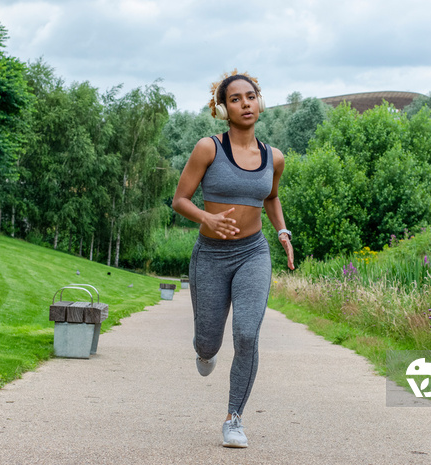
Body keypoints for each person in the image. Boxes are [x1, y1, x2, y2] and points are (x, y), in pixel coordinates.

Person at [172, 70, 295, 448]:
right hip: (210, 255)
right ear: (223, 108)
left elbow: (271, 197)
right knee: (208, 344)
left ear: (260, 102)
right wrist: (206, 217)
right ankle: (204, 350)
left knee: (246, 333)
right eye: (236, 98)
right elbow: (179, 200)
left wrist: (282, 232)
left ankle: (234, 419)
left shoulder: (274, 157)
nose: (245, 103)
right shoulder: (208, 148)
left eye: (251, 96)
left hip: (253, 253)